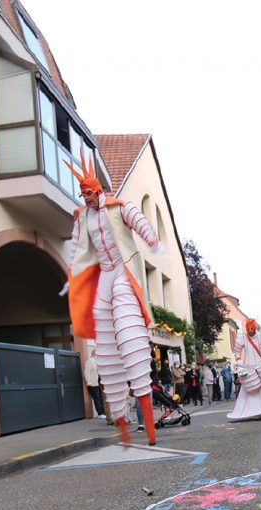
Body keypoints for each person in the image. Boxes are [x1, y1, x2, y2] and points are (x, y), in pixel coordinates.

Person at [64, 151, 164, 447]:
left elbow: (140, 222)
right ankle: (122, 426)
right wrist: (71, 274)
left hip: (123, 270)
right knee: (106, 347)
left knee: (131, 339)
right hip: (105, 274)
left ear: (98, 191)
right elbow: (77, 247)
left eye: (90, 194)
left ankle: (149, 431)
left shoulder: (119, 208)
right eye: (83, 196)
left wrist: (151, 239)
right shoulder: (83, 219)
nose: (87, 199)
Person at [84, 349, 104, 417]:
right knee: (97, 399)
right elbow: (86, 372)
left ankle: (103, 412)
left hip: (97, 383)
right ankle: (100, 413)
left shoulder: (95, 361)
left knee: (100, 398)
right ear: (94, 354)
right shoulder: (90, 361)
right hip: (93, 384)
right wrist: (89, 382)